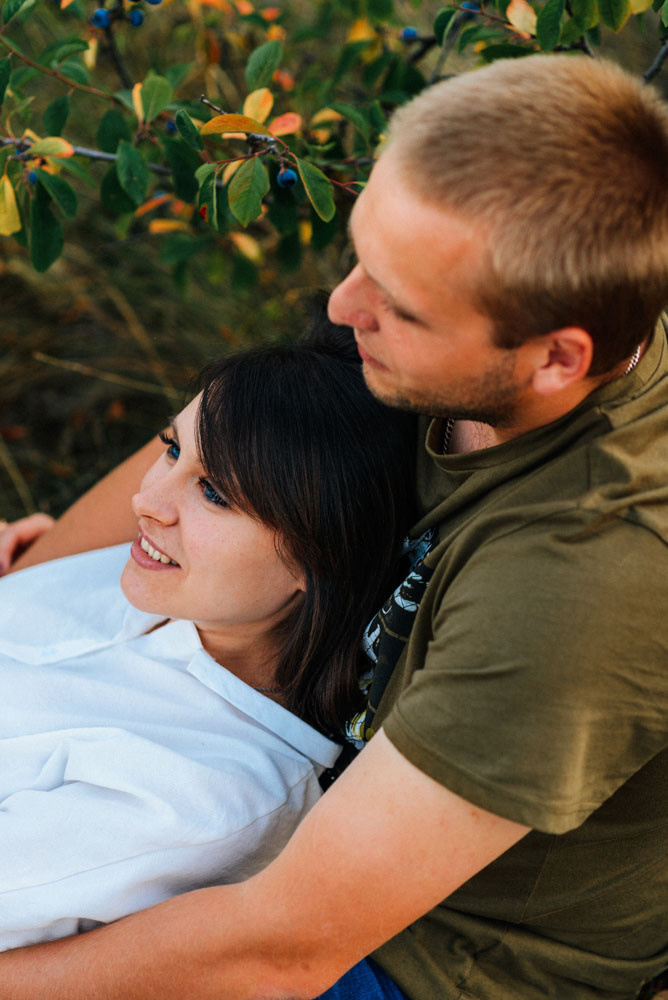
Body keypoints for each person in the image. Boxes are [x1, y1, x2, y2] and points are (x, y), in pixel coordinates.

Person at [0, 52, 666, 1000]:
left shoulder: (583, 576)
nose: (345, 305)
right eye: (364, 255)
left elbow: (278, 949)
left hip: (418, 954)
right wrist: (41, 593)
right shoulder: (473, 293)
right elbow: (229, 429)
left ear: (559, 359)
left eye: (398, 304)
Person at [0, 323, 417, 951]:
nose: (147, 501)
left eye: (214, 492)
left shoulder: (198, 799)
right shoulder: (172, 587)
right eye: (171, 450)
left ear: (320, 558)